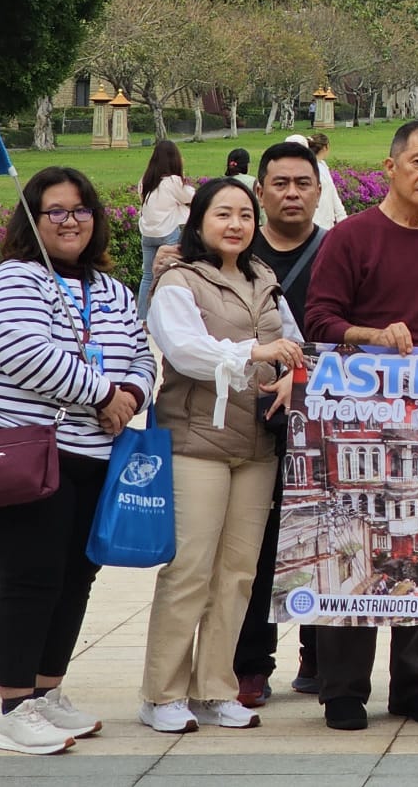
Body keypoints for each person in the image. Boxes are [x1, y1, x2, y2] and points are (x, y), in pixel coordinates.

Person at [0, 168, 156, 757]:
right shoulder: (14, 280)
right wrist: (104, 395)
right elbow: (25, 353)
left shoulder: (112, 289)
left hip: (92, 458)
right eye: (55, 211)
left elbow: (142, 353)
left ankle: (47, 691)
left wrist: (131, 394)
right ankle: (14, 706)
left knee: (75, 577)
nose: (70, 220)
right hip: (20, 451)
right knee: (29, 579)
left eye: (80, 209)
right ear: (34, 220)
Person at [302, 119, 418, 732]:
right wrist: (372, 336)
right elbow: (317, 319)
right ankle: (342, 687)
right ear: (392, 165)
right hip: (355, 420)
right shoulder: (351, 237)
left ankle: (414, 682)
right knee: (357, 549)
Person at [140, 179, 305, 734]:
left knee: (237, 572)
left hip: (255, 445)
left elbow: (294, 342)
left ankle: (214, 688)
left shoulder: (265, 279)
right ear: (199, 222)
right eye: (222, 214)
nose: (235, 224)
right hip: (197, 445)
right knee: (190, 568)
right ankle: (162, 693)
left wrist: (291, 376)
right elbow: (184, 351)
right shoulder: (178, 280)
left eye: (244, 215)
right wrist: (253, 351)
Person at [231, 141, 329, 707]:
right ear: (260, 190)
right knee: (257, 544)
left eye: (302, 183)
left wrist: (308, 376)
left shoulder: (337, 250)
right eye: (280, 183)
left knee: (320, 533)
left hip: (320, 421)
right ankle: (250, 663)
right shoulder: (235, 252)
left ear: (318, 191)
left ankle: (317, 653)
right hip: (249, 420)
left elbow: (345, 328)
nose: (291, 193)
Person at [136, 139, 195, 316]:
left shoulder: (145, 180)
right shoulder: (173, 181)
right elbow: (192, 197)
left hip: (147, 234)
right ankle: (170, 315)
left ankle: (143, 316)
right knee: (171, 274)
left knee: (148, 275)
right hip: (167, 232)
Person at [306, 132, 347, 231]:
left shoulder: (323, 165)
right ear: (326, 147)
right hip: (315, 220)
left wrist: (342, 218)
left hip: (327, 221)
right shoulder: (309, 167)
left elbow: (333, 195)